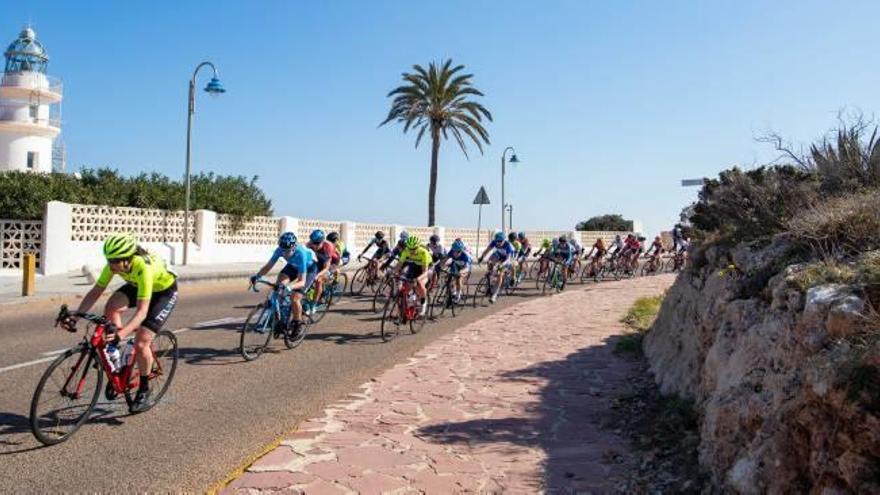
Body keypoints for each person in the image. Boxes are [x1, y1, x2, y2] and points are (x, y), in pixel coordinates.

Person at [66, 233, 179, 413]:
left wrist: (122, 333)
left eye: (115, 261)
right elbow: (96, 291)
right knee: (111, 306)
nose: (111, 265)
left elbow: (142, 312)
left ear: (128, 259)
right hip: (137, 286)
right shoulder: (114, 265)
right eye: (109, 260)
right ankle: (118, 358)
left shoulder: (143, 267)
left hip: (163, 292)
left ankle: (144, 389)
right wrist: (77, 316)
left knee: (141, 341)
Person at [250, 231, 317, 338]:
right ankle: (276, 317)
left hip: (308, 269)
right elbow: (268, 266)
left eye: (288, 251)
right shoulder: (280, 249)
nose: (285, 254)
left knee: (295, 297)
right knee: (278, 287)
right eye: (283, 251)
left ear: (294, 248)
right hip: (292, 266)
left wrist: (289, 287)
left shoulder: (301, 254)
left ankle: (297, 322)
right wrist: (257, 276)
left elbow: (302, 281)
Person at [394, 235, 433, 316]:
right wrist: (394, 273)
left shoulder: (423, 252)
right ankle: (406, 308)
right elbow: (399, 264)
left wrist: (418, 279)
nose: (411, 251)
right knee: (406, 288)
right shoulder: (406, 250)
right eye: (410, 248)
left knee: (420, 283)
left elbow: (424, 271)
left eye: (414, 249)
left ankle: (423, 302)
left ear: (418, 246)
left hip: (426, 268)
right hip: (414, 266)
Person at [305, 230, 340, 310]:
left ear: (322, 242)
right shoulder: (310, 244)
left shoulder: (328, 248)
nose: (314, 246)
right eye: (313, 243)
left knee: (319, 280)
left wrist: (317, 275)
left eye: (317, 244)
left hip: (332, 263)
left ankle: (314, 304)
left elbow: (326, 268)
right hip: (320, 260)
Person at [478, 231, 516, 303]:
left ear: (504, 240)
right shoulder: (494, 242)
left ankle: (494, 295)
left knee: (500, 274)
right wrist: (481, 257)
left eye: (500, 241)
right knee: (489, 262)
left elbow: (508, 259)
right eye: (497, 241)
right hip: (498, 254)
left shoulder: (509, 246)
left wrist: (501, 265)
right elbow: (487, 250)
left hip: (508, 258)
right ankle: (489, 278)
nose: (498, 243)